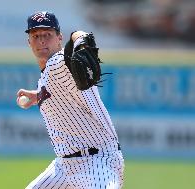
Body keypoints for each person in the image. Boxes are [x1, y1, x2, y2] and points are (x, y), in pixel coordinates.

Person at [16, 11, 124, 189]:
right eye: (36, 35)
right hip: (63, 167)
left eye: (47, 35)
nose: (41, 40)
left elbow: (78, 37)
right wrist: (38, 95)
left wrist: (80, 38)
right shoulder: (46, 77)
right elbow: (55, 87)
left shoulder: (57, 63)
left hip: (97, 162)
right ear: (29, 42)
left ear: (59, 38)